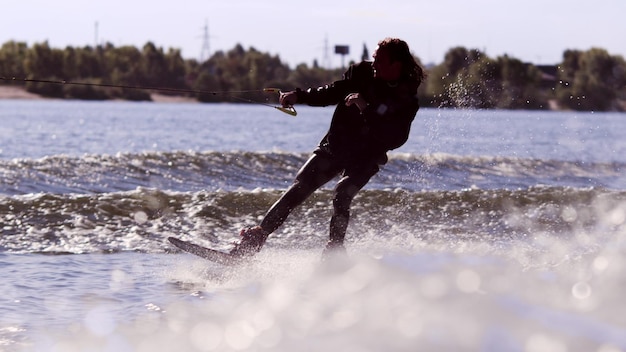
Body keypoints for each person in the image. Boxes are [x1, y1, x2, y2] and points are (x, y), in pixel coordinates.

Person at [229, 37, 426, 258]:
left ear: (396, 65)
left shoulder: (406, 98)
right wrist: (299, 95)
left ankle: (334, 252)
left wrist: (365, 108)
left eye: (380, 61)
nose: (374, 65)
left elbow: (395, 138)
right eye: (374, 59)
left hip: (366, 155)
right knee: (300, 187)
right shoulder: (361, 72)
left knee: (342, 194)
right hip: (337, 144)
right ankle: (254, 240)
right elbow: (332, 91)